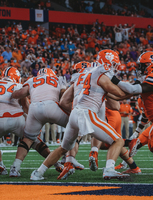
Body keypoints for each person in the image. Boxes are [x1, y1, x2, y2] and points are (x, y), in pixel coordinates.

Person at [31, 50, 130, 181]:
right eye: (113, 64)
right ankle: (109, 169)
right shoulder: (100, 75)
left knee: (63, 149)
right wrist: (139, 90)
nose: (114, 67)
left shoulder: (81, 77)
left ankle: (38, 173)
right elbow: (120, 96)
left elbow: (64, 101)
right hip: (87, 113)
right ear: (106, 63)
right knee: (118, 140)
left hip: (74, 114)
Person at [9, 68, 67, 177]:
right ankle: (68, 158)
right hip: (52, 106)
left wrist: (12, 93)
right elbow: (63, 98)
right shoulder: (57, 79)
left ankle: (15, 167)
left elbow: (19, 94)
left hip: (34, 108)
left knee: (28, 138)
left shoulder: (32, 80)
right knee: (74, 125)